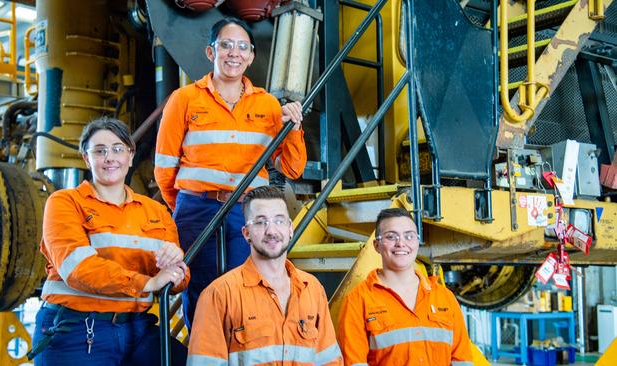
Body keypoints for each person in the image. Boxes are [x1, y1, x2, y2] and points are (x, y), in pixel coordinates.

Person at [154, 17, 307, 325]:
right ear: (211, 52)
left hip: (247, 211)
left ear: (250, 56)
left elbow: (291, 167)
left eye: (242, 47)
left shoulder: (268, 105)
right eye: (226, 45)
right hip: (198, 208)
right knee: (200, 289)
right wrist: (186, 206)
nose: (233, 53)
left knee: (250, 287)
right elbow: (164, 168)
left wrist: (293, 127)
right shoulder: (184, 99)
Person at [29, 117, 189, 365]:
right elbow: (79, 269)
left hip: (137, 329)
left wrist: (176, 268)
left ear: (131, 155)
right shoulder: (65, 202)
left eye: (117, 149)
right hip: (76, 330)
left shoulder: (155, 212)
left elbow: (179, 279)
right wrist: (147, 283)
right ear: (86, 158)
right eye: (100, 151)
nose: (110, 158)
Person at [187, 186, 343, 365]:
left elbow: (330, 360)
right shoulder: (219, 295)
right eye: (261, 222)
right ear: (246, 234)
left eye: (279, 221)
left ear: (290, 229)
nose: (271, 231)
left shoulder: (313, 289)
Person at [337, 208, 473, 366]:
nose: (401, 243)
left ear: (417, 242)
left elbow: (462, 360)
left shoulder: (444, 297)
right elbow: (355, 363)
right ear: (376, 245)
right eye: (391, 236)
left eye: (409, 236)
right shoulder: (358, 300)